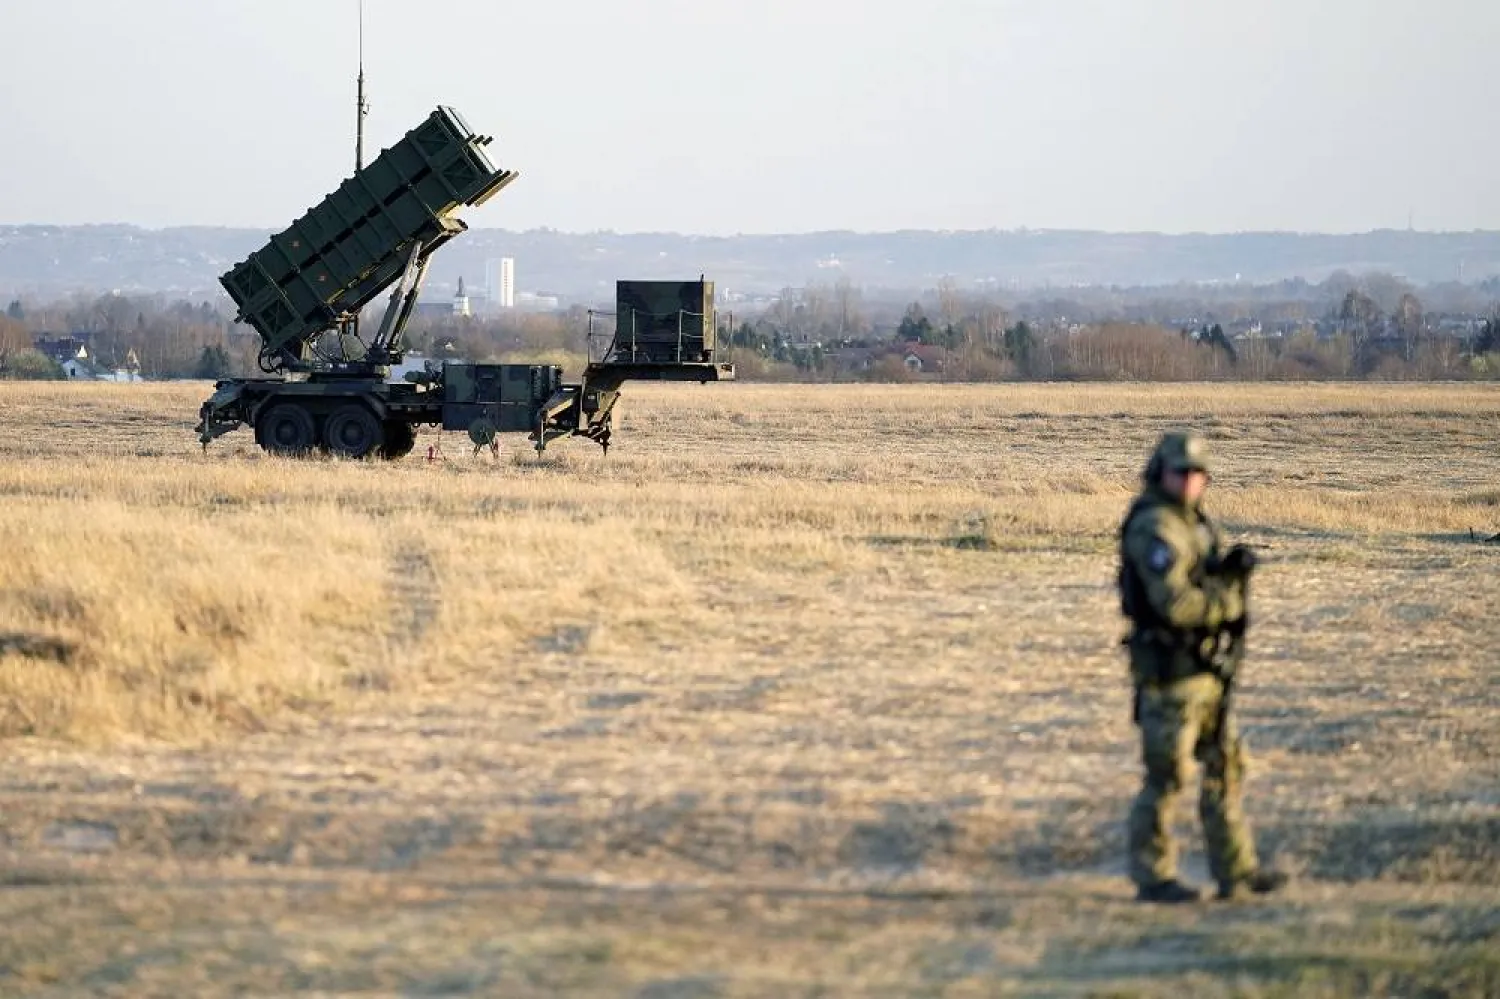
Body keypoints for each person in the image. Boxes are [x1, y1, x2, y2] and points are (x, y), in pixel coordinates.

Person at [1117, 431, 1288, 903]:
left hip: (1207, 670)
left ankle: (1237, 870)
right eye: (1181, 472)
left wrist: (1227, 570)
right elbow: (1174, 603)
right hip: (1171, 672)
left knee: (1225, 769)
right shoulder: (1155, 527)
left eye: (1198, 474)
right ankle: (1153, 877)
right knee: (1167, 777)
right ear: (1160, 473)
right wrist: (1226, 598)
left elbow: (1200, 582)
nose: (1190, 482)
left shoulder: (1193, 524)